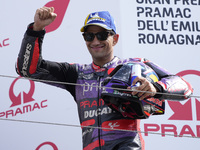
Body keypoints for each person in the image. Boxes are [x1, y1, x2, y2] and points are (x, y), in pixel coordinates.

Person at [16, 7, 193, 150]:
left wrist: (156, 88)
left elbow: (185, 87)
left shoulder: (135, 66)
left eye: (101, 35)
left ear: (115, 39)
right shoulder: (76, 73)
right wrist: (36, 30)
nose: (95, 41)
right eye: (89, 35)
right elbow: (28, 70)